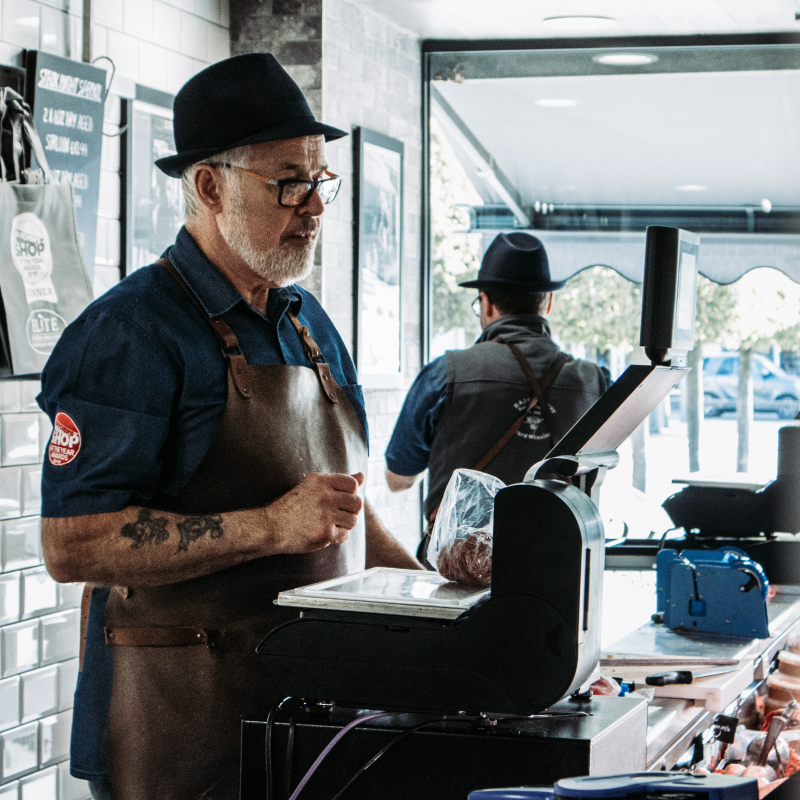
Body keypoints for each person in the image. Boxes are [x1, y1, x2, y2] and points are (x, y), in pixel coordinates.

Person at [38, 53, 421, 800]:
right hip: (175, 733)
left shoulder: (306, 322)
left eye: (319, 181)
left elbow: (339, 509)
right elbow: (73, 542)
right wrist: (270, 527)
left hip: (306, 723)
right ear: (210, 186)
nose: (313, 205)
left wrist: (441, 597)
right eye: (288, 182)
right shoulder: (129, 335)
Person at [385, 232, 609, 562]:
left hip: (456, 568)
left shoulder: (446, 373)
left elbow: (397, 479)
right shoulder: (595, 380)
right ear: (547, 302)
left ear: (486, 302)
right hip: (556, 569)